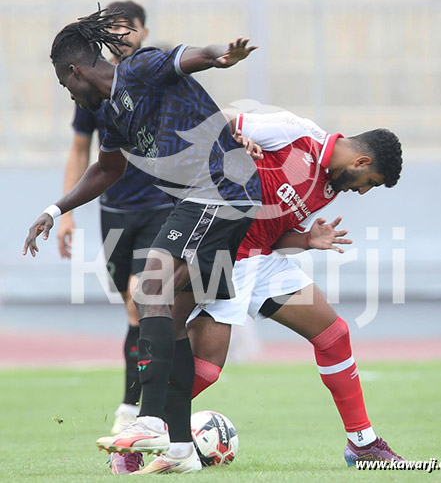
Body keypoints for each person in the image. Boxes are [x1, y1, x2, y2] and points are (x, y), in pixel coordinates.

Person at [23, 6, 262, 474]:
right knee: (171, 315)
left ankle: (148, 419)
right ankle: (179, 449)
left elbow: (189, 57)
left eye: (63, 83)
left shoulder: (140, 69)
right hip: (207, 201)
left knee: (149, 286)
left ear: (76, 71)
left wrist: (221, 55)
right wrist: (55, 210)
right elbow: (108, 169)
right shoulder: (112, 115)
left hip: (222, 190)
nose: (67, 92)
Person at [134, 110, 405, 474]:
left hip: (264, 258)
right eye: (369, 181)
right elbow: (217, 121)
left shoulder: (328, 187)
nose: (363, 190)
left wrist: (306, 240)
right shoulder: (294, 133)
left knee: (334, 334)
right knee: (206, 368)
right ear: (361, 161)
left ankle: (363, 443)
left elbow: (273, 230)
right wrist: (235, 142)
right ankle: (136, 436)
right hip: (227, 252)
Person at [57, 1, 174, 448]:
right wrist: (65, 212)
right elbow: (79, 150)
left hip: (162, 206)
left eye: (130, 28)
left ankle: (135, 410)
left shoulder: (156, 77)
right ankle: (142, 404)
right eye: (117, 29)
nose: (123, 36)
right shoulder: (93, 85)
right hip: (116, 213)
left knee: (140, 299)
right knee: (132, 306)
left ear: (144, 32)